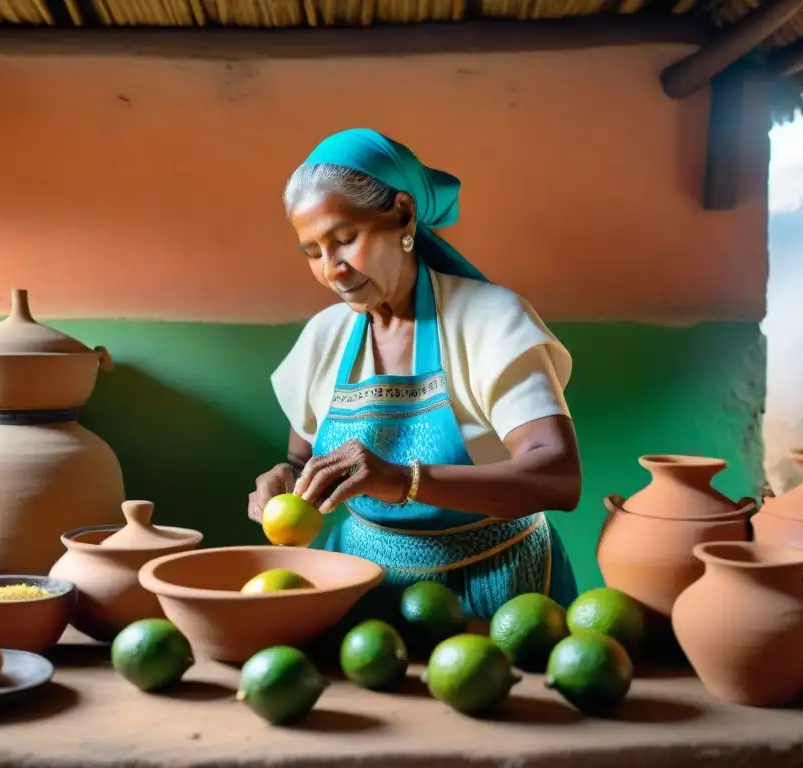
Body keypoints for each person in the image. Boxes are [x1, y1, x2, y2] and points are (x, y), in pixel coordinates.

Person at [247, 128, 582, 618]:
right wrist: (285, 479)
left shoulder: (491, 321)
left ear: (402, 214)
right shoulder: (324, 337)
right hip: (359, 584)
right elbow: (301, 461)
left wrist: (404, 480)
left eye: (344, 240)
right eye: (313, 253)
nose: (331, 269)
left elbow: (557, 477)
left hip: (497, 590)